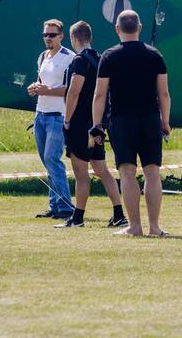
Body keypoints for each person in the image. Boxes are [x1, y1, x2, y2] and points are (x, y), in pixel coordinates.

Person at [90, 10, 170, 237]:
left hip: (122, 119)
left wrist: (97, 124)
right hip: (150, 118)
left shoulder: (109, 56)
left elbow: (99, 94)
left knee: (127, 172)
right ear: (140, 28)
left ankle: (135, 226)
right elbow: (163, 93)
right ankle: (154, 226)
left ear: (117, 29)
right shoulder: (155, 55)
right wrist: (165, 120)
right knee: (152, 172)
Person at [60, 20, 125, 228]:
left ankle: (77, 218)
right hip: (96, 123)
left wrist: (67, 120)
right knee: (101, 169)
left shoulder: (79, 60)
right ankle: (118, 213)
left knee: (80, 173)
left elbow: (74, 91)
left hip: (80, 123)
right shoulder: (99, 58)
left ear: (73, 38)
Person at [29, 19, 75, 220]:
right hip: (40, 113)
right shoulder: (42, 57)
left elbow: (71, 89)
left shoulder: (69, 57)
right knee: (47, 161)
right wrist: (35, 87)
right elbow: (42, 82)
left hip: (58, 115)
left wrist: (48, 90)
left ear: (61, 36)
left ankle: (65, 205)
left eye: (52, 35)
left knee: (52, 158)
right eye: (45, 35)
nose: (48, 38)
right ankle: (54, 205)